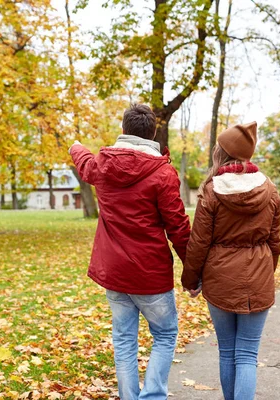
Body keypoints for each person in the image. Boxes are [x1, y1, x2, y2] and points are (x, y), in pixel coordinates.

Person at [69, 104, 190, 400]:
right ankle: (152, 397)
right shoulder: (163, 173)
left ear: (123, 131)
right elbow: (178, 226)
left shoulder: (104, 165)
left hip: (115, 274)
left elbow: (85, 163)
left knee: (124, 340)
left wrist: (75, 147)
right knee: (164, 335)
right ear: (153, 135)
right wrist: (193, 269)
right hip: (151, 276)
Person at [181, 121, 280, 400]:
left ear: (221, 153)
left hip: (220, 279)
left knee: (228, 351)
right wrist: (264, 274)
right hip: (259, 278)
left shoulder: (211, 191)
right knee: (247, 354)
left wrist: (191, 281)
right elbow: (275, 243)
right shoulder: (270, 190)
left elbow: (199, 242)